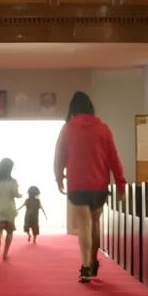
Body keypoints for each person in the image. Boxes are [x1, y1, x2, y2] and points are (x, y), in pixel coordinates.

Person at [54, 91, 126, 283]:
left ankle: (85, 266)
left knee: (84, 225)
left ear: (72, 108)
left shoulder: (67, 128)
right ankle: (93, 261)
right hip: (99, 185)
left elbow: (59, 155)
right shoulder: (103, 128)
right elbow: (114, 158)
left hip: (77, 184)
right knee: (94, 224)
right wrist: (121, 184)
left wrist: (58, 177)